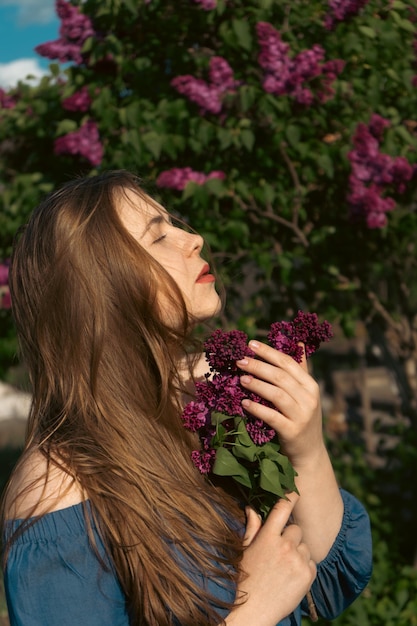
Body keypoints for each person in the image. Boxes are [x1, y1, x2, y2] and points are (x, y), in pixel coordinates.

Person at [1, 170, 372, 626]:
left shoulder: (206, 403)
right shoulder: (57, 487)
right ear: (103, 290)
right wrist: (249, 613)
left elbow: (324, 586)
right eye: (159, 238)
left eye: (173, 223)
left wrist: (307, 450)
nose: (192, 238)